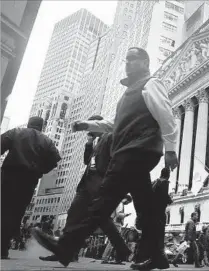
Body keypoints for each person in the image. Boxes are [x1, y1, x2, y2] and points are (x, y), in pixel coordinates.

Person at [31, 47, 178, 270]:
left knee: (103, 201)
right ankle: (156, 255)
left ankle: (67, 245)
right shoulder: (127, 95)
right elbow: (113, 124)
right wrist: (86, 125)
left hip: (136, 150)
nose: (127, 63)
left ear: (145, 62)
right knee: (147, 207)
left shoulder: (151, 83)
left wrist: (171, 149)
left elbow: (166, 114)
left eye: (133, 59)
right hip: (132, 152)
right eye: (126, 59)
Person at [36, 115, 131, 264]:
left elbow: (118, 162)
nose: (90, 132)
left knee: (102, 219)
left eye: (91, 129)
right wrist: (89, 143)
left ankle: (120, 249)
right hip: (86, 185)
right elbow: (88, 161)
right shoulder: (98, 142)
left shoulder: (110, 137)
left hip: (99, 185)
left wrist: (121, 189)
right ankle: (66, 252)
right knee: (74, 214)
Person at [1, 116, 61, 259]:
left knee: (3, 208)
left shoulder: (16, 132)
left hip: (9, 175)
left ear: (29, 123)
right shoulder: (47, 141)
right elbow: (54, 159)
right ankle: (3, 247)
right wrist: (40, 170)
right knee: (17, 212)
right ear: (42, 126)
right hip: (29, 180)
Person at [101, 195, 132, 264]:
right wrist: (126, 214)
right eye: (127, 202)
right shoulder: (120, 204)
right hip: (117, 223)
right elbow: (118, 215)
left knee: (113, 241)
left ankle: (106, 257)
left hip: (115, 223)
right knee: (114, 241)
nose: (127, 204)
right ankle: (106, 257)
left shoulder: (118, 203)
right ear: (126, 199)